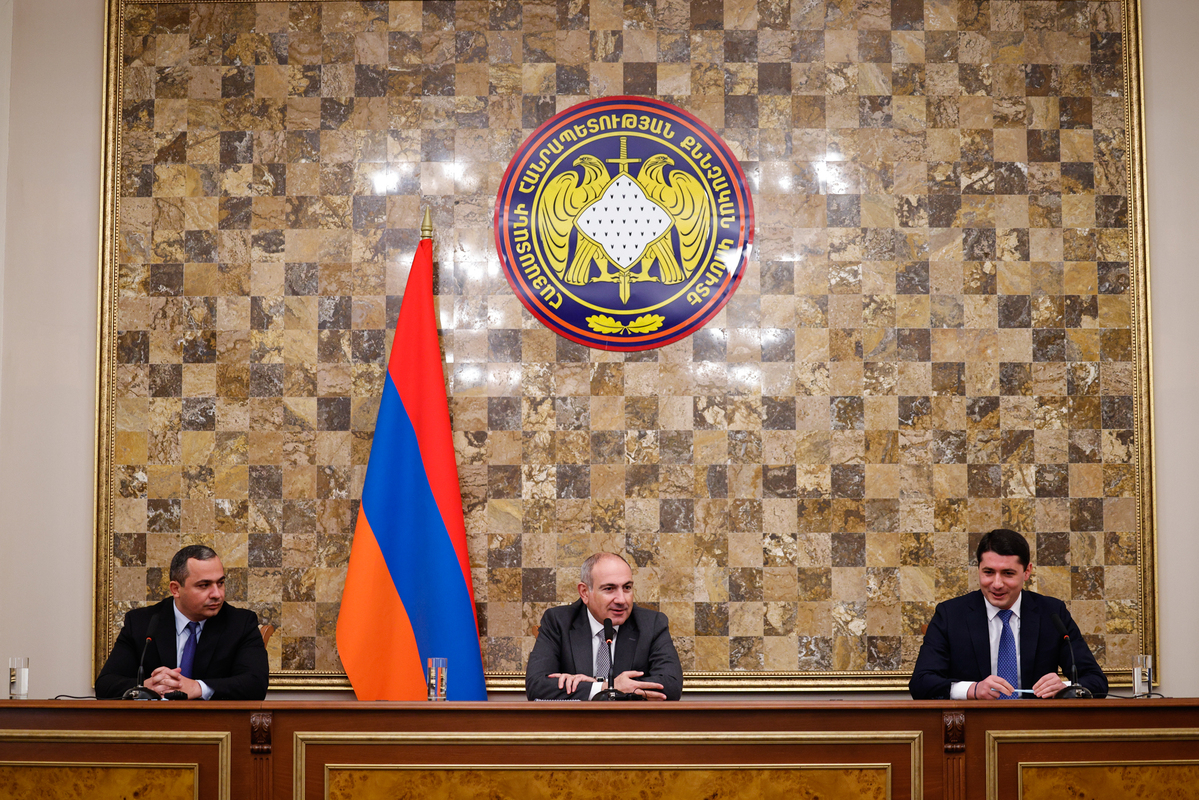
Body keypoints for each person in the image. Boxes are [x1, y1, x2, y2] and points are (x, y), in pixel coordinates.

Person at [909, 529, 1107, 700]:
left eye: (1008, 573)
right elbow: (921, 683)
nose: (997, 584)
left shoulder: (1052, 613)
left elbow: (1096, 680)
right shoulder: (950, 615)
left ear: (1027, 572)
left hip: (1037, 725)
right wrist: (972, 689)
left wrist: (1064, 687)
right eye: (988, 572)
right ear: (978, 569)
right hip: (974, 724)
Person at [96, 545, 269, 700]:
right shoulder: (142, 622)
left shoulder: (241, 623)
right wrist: (145, 687)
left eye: (220, 583)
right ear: (176, 589)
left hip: (214, 724)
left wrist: (198, 688)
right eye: (204, 585)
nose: (217, 594)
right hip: (153, 723)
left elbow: (255, 684)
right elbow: (105, 685)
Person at [525, 552, 683, 700]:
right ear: (585, 592)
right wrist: (604, 687)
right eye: (609, 589)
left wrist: (600, 687)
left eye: (627, 588)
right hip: (575, 720)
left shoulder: (652, 623)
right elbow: (537, 685)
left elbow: (671, 685)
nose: (621, 599)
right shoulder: (558, 621)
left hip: (630, 720)